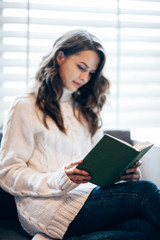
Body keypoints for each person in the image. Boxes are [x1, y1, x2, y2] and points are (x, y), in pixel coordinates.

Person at [0, 29, 160, 240]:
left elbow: (97, 173)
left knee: (146, 228)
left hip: (86, 198)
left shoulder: (87, 111)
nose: (85, 78)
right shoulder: (25, 106)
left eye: (91, 73)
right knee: (145, 191)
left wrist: (122, 176)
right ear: (60, 57)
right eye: (81, 67)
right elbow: (8, 173)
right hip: (46, 206)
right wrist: (60, 179)